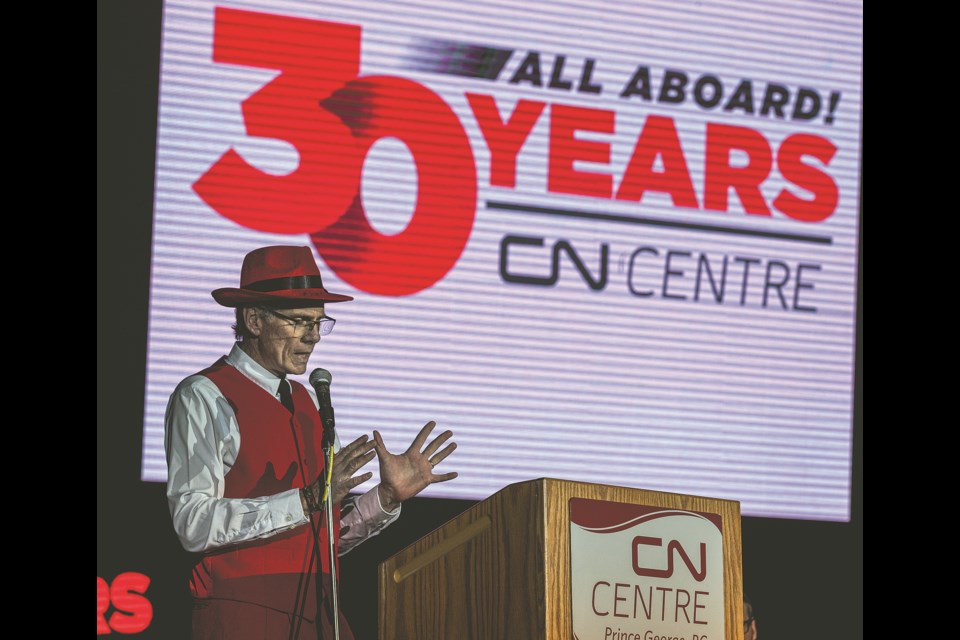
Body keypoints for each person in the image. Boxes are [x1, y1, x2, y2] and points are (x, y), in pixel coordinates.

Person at [164, 245, 458, 639]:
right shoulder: (205, 395)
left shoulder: (309, 402)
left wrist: (386, 497)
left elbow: (327, 536)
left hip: (321, 618)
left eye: (320, 323)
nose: (314, 337)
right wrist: (304, 500)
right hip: (244, 618)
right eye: (300, 322)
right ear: (254, 320)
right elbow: (192, 523)